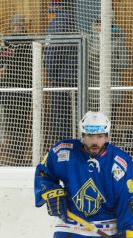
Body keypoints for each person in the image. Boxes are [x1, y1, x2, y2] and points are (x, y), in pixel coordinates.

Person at [0, 15, 32, 165]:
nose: (17, 27)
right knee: (10, 126)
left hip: (24, 92)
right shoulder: (8, 43)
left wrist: (11, 53)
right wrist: (2, 49)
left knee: (21, 127)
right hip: (9, 93)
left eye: (19, 25)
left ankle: (20, 158)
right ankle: (13, 157)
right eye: (14, 25)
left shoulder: (28, 43)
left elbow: (26, 64)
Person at [44, 0, 78, 143]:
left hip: (61, 78)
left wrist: (50, 74)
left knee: (60, 120)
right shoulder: (71, 19)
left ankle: (61, 153)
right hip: (69, 76)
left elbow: (54, 50)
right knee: (68, 119)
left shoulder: (59, 22)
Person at [88, 16, 130, 114]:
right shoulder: (89, 42)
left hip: (112, 90)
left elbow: (125, 63)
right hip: (94, 91)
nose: (99, 27)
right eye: (98, 24)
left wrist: (107, 60)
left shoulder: (118, 40)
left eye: (102, 24)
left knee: (110, 123)